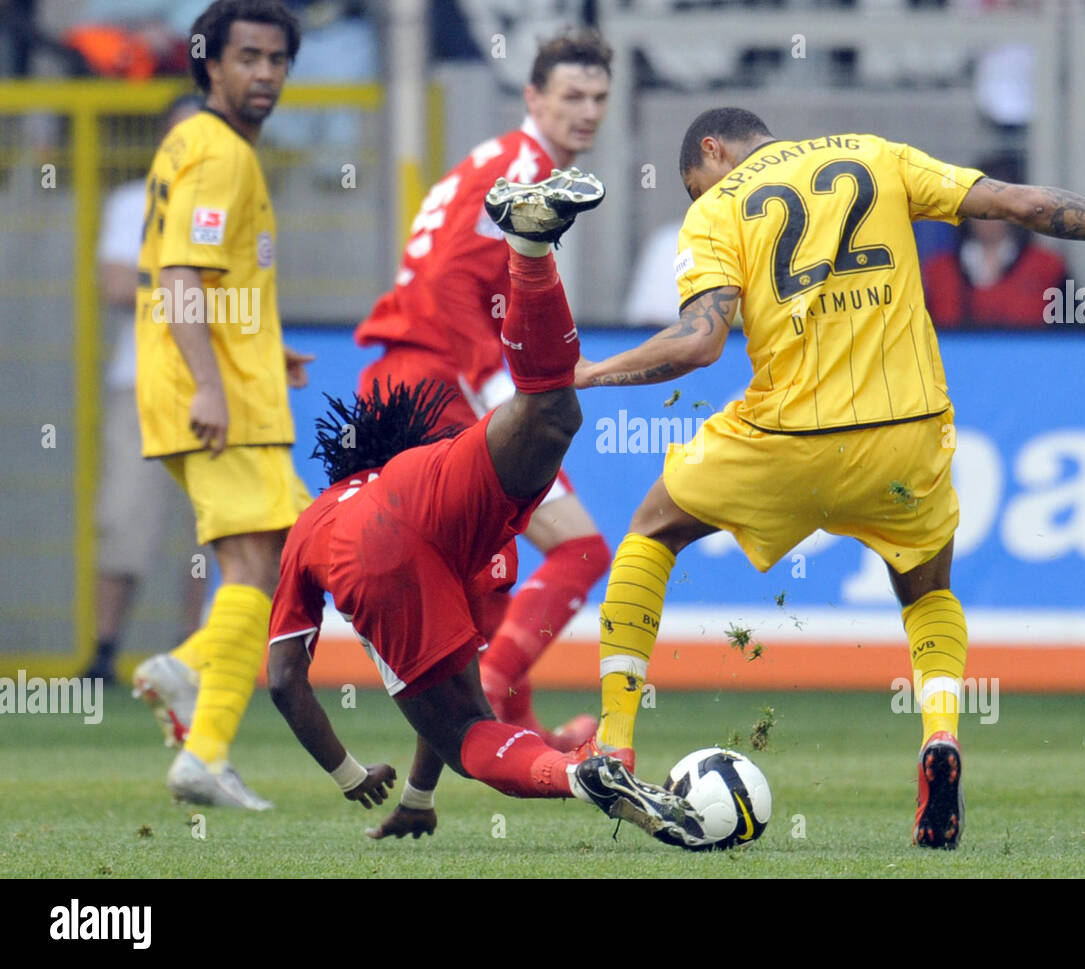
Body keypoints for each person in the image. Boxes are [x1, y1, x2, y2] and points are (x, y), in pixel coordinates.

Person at [575, 107, 1085, 849]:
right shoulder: (875, 154)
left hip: (787, 434)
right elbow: (1020, 204)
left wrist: (596, 371)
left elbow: (699, 343)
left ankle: (615, 746)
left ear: (711, 150)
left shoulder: (719, 210)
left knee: (654, 529)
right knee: (928, 594)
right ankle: (941, 737)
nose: (697, 198)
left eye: (694, 186)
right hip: (908, 433)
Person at [266, 174, 704, 848]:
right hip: (433, 478)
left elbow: (285, 681)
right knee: (551, 409)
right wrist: (418, 792)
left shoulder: (313, 521)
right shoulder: (417, 460)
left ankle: (575, 773)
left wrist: (351, 773)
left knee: (469, 730)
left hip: (365, 552)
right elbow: (460, 660)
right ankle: (531, 255)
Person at [352, 29, 615, 749]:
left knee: (486, 576)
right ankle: (495, 694)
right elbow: (447, 286)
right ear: (534, 97)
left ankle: (522, 740)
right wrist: (505, 389)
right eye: (571, 95)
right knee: (582, 549)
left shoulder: (504, 162)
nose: (587, 111)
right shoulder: (519, 170)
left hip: (413, 381)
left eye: (598, 97)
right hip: (438, 383)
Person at [131, 0, 315, 810]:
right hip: (215, 398)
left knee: (271, 561)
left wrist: (259, 346)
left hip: (226, 384)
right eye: (248, 57)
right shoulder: (219, 155)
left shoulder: (201, 143)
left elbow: (213, 279)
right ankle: (195, 691)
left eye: (277, 59)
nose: (265, 74)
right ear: (210, 63)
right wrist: (211, 380)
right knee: (272, 563)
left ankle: (201, 729)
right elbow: (179, 279)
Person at [83, 93, 206, 686]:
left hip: (210, 384)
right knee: (123, 518)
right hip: (140, 384)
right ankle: (104, 651)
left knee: (210, 528)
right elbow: (113, 285)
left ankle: (191, 653)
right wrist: (187, 287)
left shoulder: (224, 203)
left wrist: (158, 282)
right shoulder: (131, 202)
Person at [921, 154, 1067, 328]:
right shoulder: (937, 272)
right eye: (981, 205)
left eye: (998, 207)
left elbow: (1076, 338)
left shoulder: (1047, 268)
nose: (989, 216)